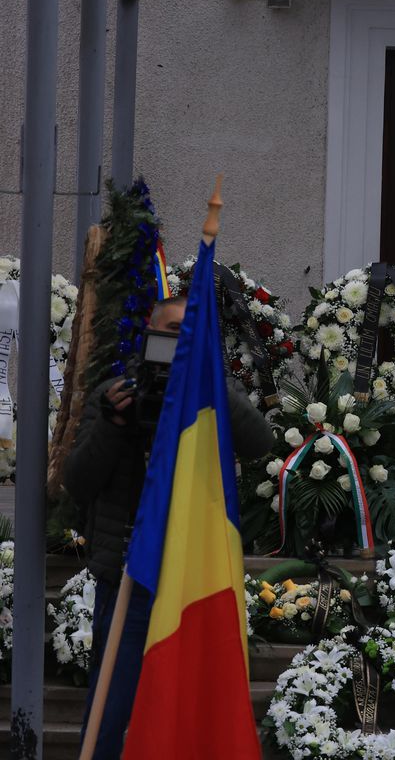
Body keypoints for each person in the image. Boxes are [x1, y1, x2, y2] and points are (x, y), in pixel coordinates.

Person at [65, 295, 274, 759]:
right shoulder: (113, 392)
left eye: (190, 333)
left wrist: (208, 386)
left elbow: (260, 441)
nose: (180, 341)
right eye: (172, 331)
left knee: (185, 710)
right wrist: (116, 422)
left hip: (191, 580)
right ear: (151, 333)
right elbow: (78, 483)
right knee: (109, 707)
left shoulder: (211, 396)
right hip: (127, 578)